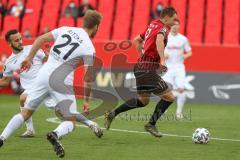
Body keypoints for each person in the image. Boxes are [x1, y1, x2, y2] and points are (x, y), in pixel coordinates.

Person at [0, 10, 102, 158]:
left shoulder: (66, 29)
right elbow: (88, 77)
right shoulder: (89, 47)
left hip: (43, 75)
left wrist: (29, 58)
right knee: (70, 120)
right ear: (96, 27)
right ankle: (55, 134)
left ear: (83, 22)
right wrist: (86, 101)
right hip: (61, 81)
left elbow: (41, 38)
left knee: (25, 112)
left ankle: (2, 137)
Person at [104, 7, 178, 138]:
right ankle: (151, 124)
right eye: (173, 19)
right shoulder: (163, 28)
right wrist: (162, 60)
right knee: (169, 97)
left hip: (140, 67)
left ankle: (112, 114)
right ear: (166, 17)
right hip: (148, 69)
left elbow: (136, 40)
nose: (175, 21)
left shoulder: (153, 24)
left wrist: (141, 57)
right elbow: (159, 40)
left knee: (143, 101)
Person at [0, 29, 55, 137]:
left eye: (20, 38)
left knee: (63, 111)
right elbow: (5, 81)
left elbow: (47, 60)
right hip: (31, 88)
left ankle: (90, 124)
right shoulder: (9, 62)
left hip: (44, 84)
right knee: (22, 99)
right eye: (16, 40)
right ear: (9, 43)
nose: (20, 41)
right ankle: (30, 130)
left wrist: (49, 52)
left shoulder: (32, 49)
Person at [163, 20, 192, 119]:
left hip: (179, 67)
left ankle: (179, 112)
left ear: (179, 26)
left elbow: (189, 52)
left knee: (181, 89)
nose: (175, 27)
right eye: (173, 25)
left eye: (176, 25)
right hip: (168, 67)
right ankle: (164, 110)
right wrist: (163, 55)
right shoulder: (165, 37)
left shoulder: (183, 39)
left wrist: (184, 55)